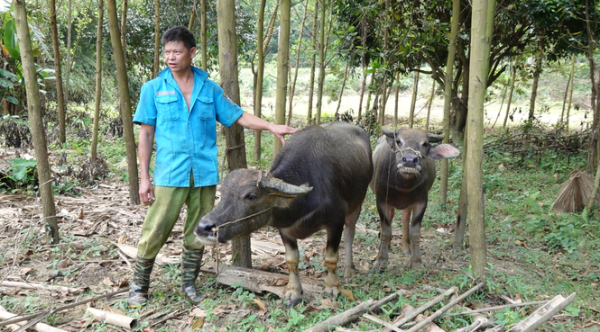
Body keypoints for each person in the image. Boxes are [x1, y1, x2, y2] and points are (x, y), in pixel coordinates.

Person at [129, 26, 296, 308]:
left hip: (204, 174)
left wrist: (269, 126)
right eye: (167, 52)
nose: (171, 57)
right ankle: (138, 287)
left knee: (201, 229)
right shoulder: (153, 89)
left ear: (192, 53)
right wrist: (143, 178)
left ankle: (189, 285)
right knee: (156, 228)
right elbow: (145, 134)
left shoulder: (209, 88)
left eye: (177, 52)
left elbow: (238, 115)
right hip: (170, 173)